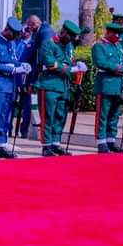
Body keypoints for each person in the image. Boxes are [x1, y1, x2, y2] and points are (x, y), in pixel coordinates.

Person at [36, 20, 84, 156]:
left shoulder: (68, 45)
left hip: (64, 86)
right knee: (48, 117)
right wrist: (70, 69)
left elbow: (69, 60)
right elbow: (51, 63)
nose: (72, 40)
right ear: (64, 32)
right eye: (71, 36)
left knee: (60, 116)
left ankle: (56, 143)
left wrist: (77, 66)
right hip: (49, 84)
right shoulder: (49, 43)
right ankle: (46, 145)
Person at [0, 16, 29, 160]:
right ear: (7, 30)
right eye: (14, 34)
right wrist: (12, 70)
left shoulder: (11, 43)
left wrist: (21, 65)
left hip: (11, 85)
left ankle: (2, 144)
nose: (15, 37)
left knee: (6, 116)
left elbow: (14, 59)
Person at [92, 22, 123, 153]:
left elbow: (122, 60)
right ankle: (101, 142)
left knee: (115, 115)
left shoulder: (118, 46)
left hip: (119, 85)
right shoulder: (99, 46)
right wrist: (121, 68)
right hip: (106, 84)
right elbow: (100, 62)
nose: (119, 37)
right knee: (103, 115)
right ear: (109, 33)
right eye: (116, 34)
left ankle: (111, 140)